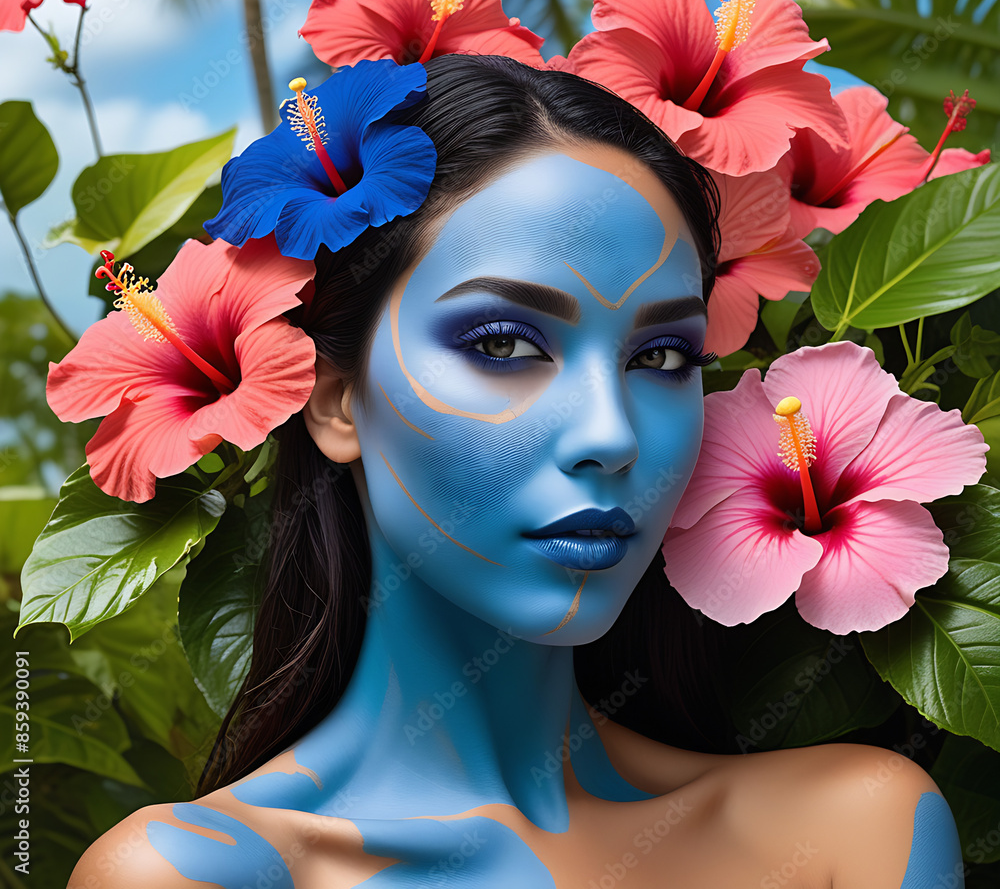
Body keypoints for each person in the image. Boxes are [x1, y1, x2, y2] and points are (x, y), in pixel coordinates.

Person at [69, 55, 963, 889]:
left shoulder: (858, 834)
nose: (611, 436)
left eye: (661, 358)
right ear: (335, 397)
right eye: (503, 343)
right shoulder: (194, 875)